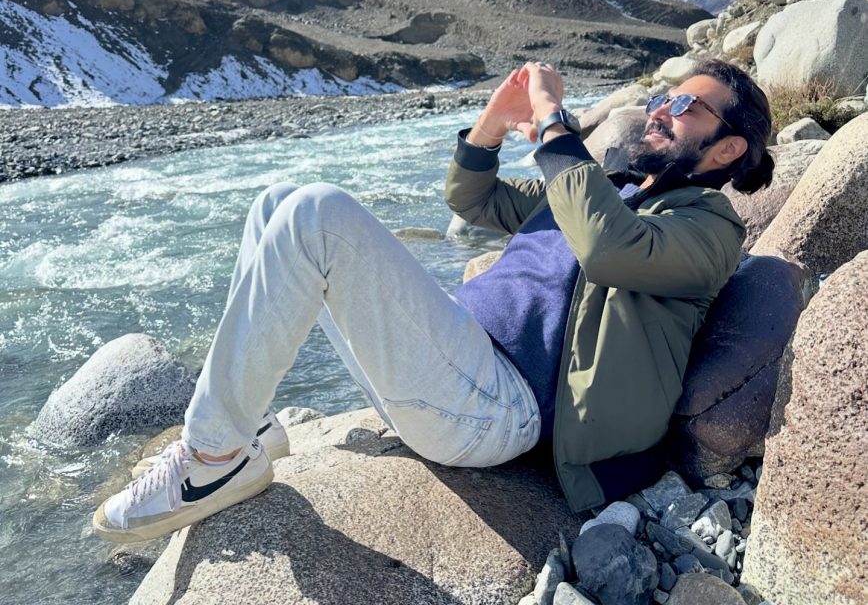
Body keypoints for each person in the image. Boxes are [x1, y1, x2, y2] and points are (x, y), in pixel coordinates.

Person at [93, 58, 773, 543]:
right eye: (663, 97)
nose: (660, 109)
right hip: (450, 366)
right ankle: (243, 426)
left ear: (729, 147)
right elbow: (473, 201)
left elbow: (607, 248)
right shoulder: (612, 186)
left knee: (316, 214)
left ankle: (211, 460)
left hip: (500, 410)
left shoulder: (707, 227)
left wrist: (551, 121)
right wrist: (492, 124)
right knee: (277, 202)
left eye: (685, 106)